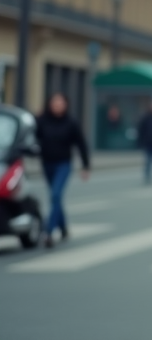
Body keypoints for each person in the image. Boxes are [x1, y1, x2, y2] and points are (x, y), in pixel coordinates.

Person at [35, 93, 90, 247]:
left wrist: (85, 166)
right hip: (47, 163)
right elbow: (33, 137)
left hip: (63, 164)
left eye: (60, 103)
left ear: (66, 104)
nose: (57, 105)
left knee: (55, 195)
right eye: (55, 102)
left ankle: (49, 231)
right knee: (55, 198)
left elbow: (81, 144)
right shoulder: (42, 121)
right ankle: (63, 227)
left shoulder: (71, 123)